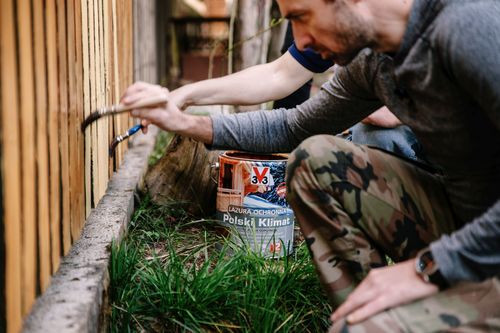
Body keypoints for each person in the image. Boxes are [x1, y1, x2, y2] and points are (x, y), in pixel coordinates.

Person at [121, 0, 500, 331]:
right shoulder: (374, 60)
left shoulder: (468, 26)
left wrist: (430, 268)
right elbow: (294, 126)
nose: (300, 42)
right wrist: (186, 121)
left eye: (302, 17)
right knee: (316, 162)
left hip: (483, 251)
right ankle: (373, 309)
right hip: (467, 226)